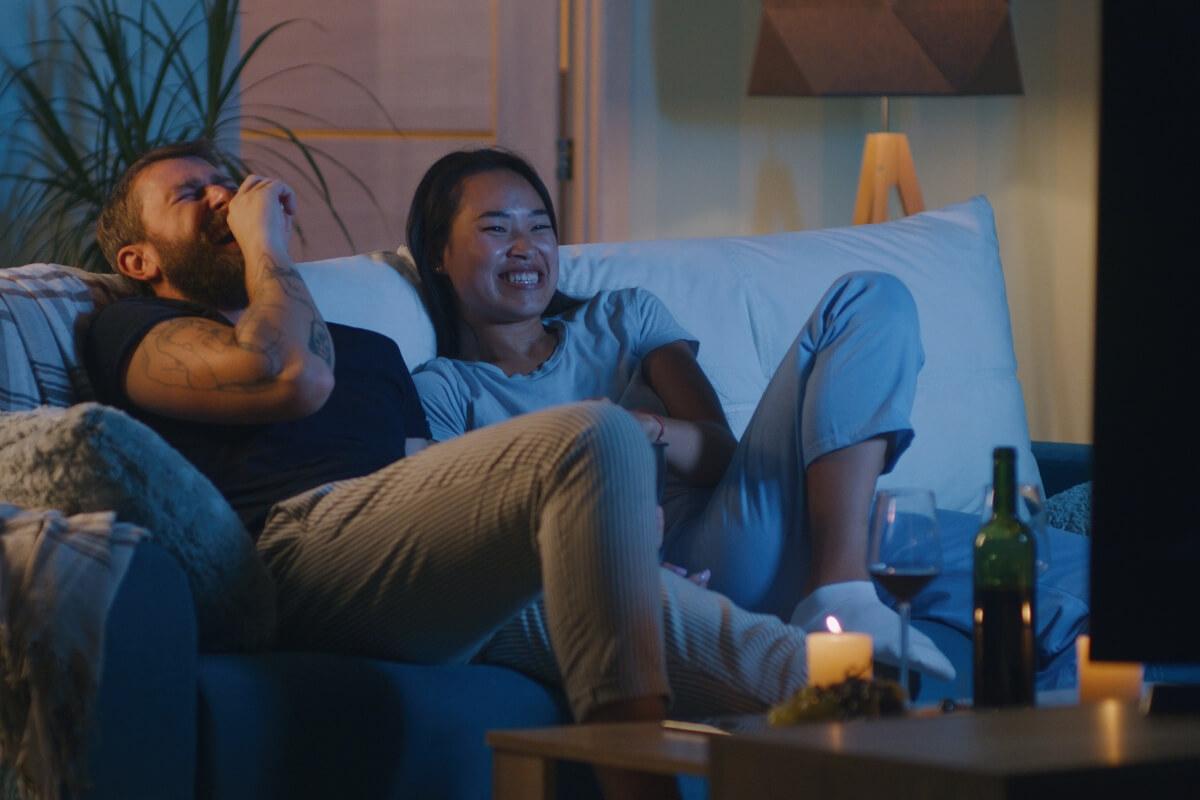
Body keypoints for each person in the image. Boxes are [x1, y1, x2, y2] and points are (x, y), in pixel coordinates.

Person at [83, 140, 840, 800]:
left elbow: (432, 482)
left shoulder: (365, 348)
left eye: (228, 183)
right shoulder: (138, 327)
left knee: (797, 673)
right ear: (137, 259)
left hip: (412, 563)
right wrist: (268, 252)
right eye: (191, 194)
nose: (222, 197)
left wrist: (607, 548)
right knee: (597, 434)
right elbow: (289, 378)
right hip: (294, 551)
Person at [408, 148, 1085, 686]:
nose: (525, 246)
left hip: (742, 522)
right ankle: (842, 589)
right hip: (671, 569)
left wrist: (644, 431)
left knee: (1066, 572)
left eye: (539, 226)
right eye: (496, 229)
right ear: (439, 253)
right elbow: (461, 540)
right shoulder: (445, 390)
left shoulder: (622, 317)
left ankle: (846, 588)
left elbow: (721, 456)